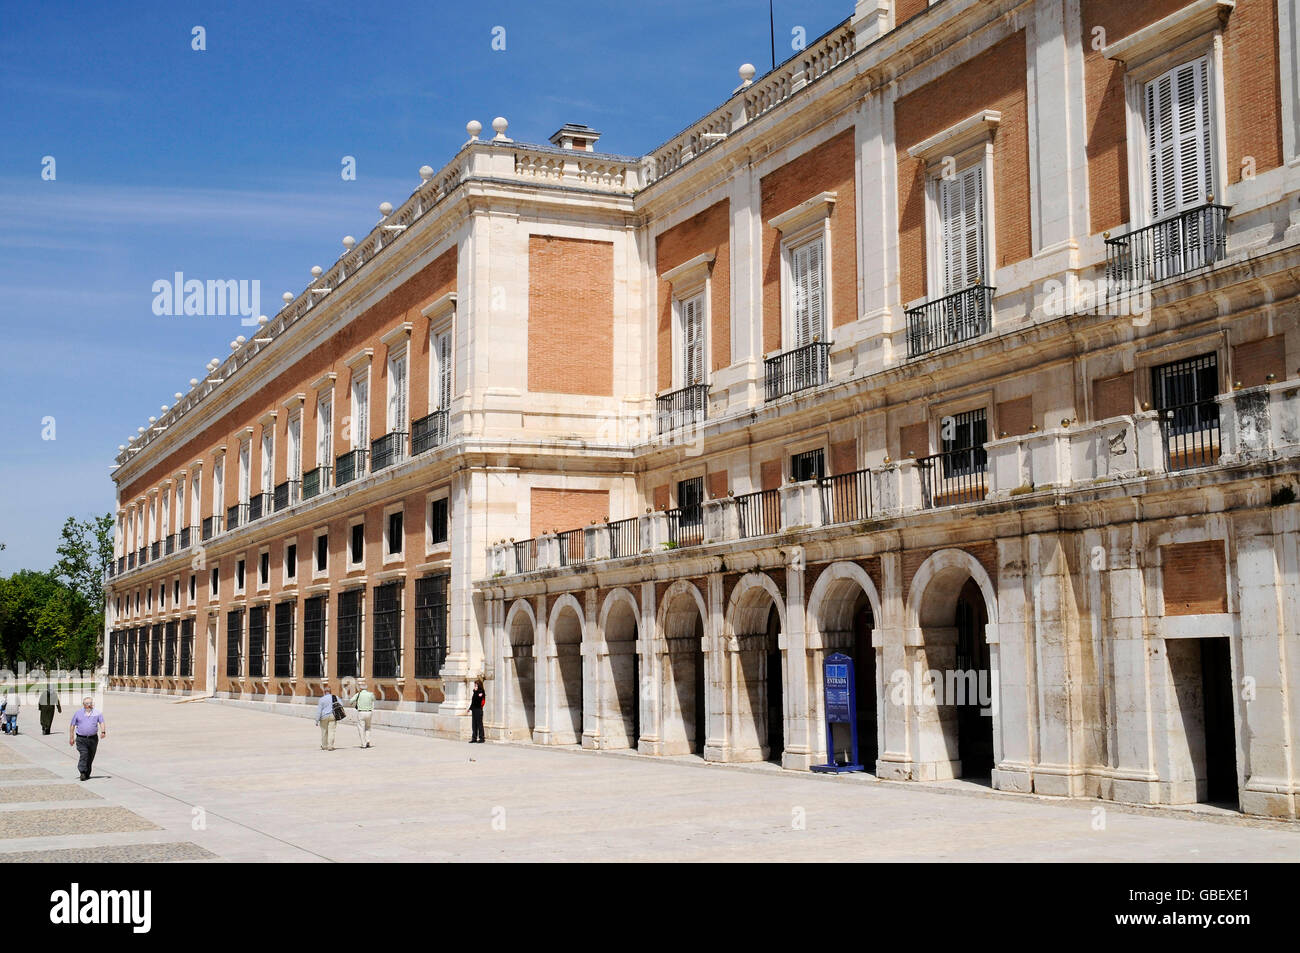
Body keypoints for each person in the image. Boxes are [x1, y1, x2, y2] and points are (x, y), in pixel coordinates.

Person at [68, 697, 106, 780]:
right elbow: (72, 725)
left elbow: (101, 722)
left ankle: (87, 773)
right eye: (87, 703)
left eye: (91, 703)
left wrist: (103, 732)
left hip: (93, 739)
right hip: (81, 739)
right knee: (84, 754)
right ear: (84, 705)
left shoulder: (97, 713)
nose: (90, 705)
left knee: (90, 756)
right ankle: (82, 772)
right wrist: (71, 738)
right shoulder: (78, 713)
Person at [350, 681, 375, 748]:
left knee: (361, 728)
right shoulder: (370, 694)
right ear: (366, 688)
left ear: (360, 689)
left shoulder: (358, 694)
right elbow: (373, 699)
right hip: (369, 712)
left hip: (361, 712)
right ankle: (368, 741)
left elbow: (350, 701)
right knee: (368, 727)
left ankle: (363, 744)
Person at [315, 683, 340, 750]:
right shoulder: (335, 697)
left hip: (324, 717)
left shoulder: (321, 699)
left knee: (324, 731)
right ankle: (330, 746)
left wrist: (317, 720)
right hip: (333, 716)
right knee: (332, 731)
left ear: (324, 692)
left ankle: (324, 746)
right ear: (330, 691)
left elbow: (319, 711)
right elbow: (341, 704)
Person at [468, 679, 486, 743]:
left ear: (479, 685)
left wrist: (476, 692)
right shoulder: (475, 692)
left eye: (476, 685)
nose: (475, 686)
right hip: (474, 710)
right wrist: (470, 708)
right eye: (474, 685)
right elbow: (473, 701)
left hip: (479, 710)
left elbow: (478, 700)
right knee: (474, 724)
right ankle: (474, 738)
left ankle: (481, 738)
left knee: (479, 724)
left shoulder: (481, 692)